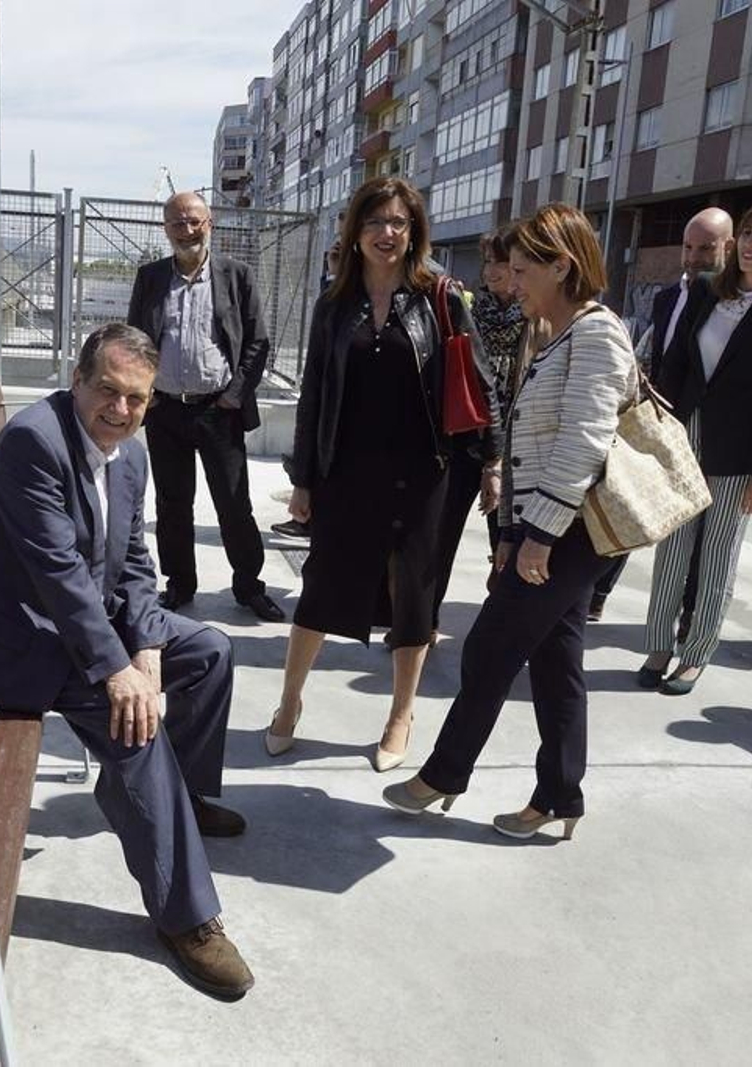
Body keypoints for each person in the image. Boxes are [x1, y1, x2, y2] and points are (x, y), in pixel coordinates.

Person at [0, 323, 253, 999]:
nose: (120, 408)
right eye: (106, 390)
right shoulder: (34, 441)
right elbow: (58, 576)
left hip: (80, 621)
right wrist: (120, 670)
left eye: (136, 398)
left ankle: (182, 802)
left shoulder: (129, 453)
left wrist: (143, 641)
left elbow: (134, 561)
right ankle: (186, 916)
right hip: (13, 639)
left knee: (209, 652)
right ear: (76, 380)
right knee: (134, 720)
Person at [381, 203, 636, 839]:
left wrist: (539, 536)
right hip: (549, 526)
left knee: (492, 647)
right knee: (556, 663)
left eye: (523, 270)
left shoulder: (597, 334)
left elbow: (583, 440)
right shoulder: (557, 332)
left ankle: (444, 773)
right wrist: (514, 534)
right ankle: (559, 797)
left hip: (571, 530)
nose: (511, 281)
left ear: (562, 267)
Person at [264, 177, 499, 772]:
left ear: (414, 230)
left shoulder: (441, 297)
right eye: (375, 222)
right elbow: (315, 393)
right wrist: (305, 478)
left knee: (413, 596)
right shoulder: (333, 304)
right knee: (321, 587)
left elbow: (480, 382)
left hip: (423, 474)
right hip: (347, 472)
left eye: (398, 223)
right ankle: (289, 701)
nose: (387, 234)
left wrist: (493, 462)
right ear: (355, 231)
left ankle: (400, 714)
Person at [639, 199, 752, 695]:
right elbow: (676, 365)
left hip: (741, 445)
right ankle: (658, 646)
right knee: (673, 546)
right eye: (750, 233)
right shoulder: (711, 291)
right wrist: (658, 430)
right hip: (686, 430)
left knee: (717, 553)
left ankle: (694, 654)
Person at [126, 191, 285, 622]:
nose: (187, 230)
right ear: (166, 229)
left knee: (233, 503)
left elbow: (257, 341)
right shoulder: (151, 278)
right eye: (177, 223)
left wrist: (234, 394)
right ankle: (179, 585)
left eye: (194, 220)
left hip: (220, 410)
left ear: (209, 222)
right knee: (173, 504)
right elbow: (135, 340)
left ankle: (249, 587)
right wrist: (148, 394)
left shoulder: (236, 275)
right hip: (166, 411)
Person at [591, 207, 734, 621]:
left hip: (705, 432)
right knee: (630, 500)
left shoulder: (730, 305)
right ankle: (599, 591)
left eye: (706, 248)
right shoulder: (668, 298)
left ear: (728, 247)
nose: (694, 258)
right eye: (688, 247)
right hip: (657, 422)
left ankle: (690, 615)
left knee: (692, 533)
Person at [430, 230, 526, 638]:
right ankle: (423, 620)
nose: (490, 271)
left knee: (506, 540)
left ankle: (499, 626)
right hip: (468, 436)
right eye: (487, 262)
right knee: (439, 534)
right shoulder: (468, 308)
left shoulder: (535, 314)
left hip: (518, 444)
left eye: (499, 263)